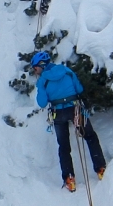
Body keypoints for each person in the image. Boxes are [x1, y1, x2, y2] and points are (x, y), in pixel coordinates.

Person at [31, 51, 106, 192]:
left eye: (35, 68)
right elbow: (79, 88)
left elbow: (42, 103)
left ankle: (69, 178)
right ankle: (100, 168)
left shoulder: (43, 81)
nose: (35, 71)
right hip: (75, 109)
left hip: (58, 114)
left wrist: (42, 89)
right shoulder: (66, 70)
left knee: (64, 146)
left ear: (41, 65)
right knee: (90, 136)